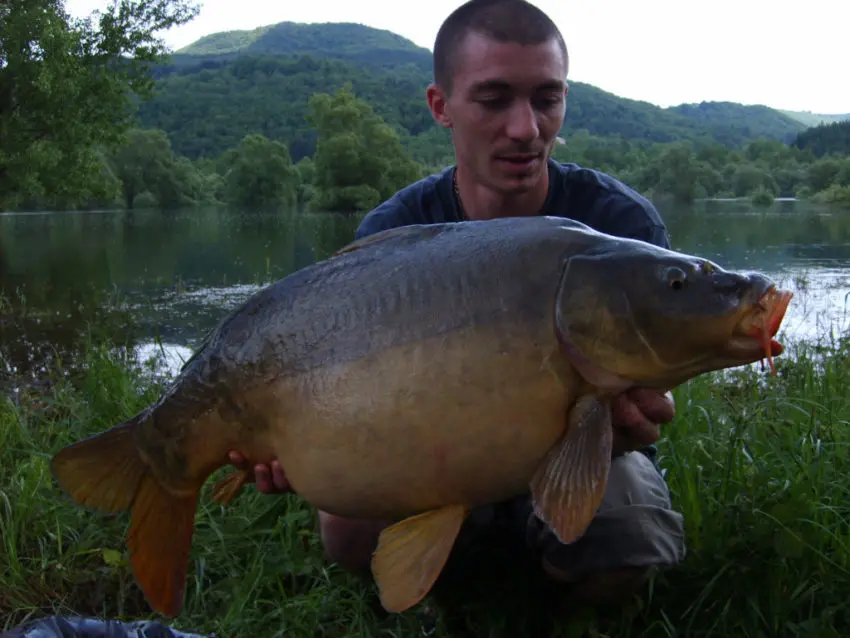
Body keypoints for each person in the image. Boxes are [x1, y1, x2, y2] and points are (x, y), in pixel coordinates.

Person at [229, 0, 685, 609]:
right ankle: (469, 575)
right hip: (435, 457)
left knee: (629, 534)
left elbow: (650, 400)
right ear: (441, 107)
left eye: (546, 99)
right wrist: (307, 447)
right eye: (494, 100)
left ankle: (553, 594)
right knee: (347, 527)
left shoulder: (618, 225)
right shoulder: (396, 232)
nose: (526, 128)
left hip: (575, 457)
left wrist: (630, 423)